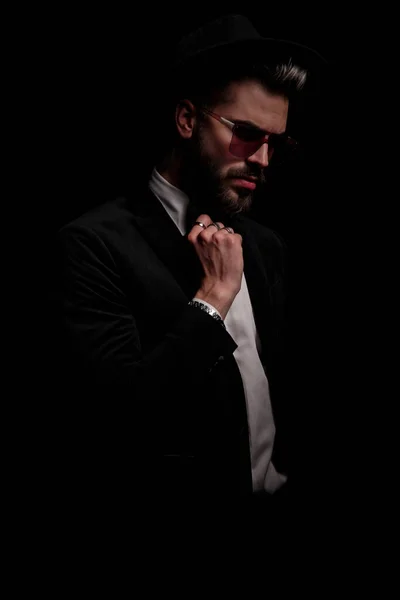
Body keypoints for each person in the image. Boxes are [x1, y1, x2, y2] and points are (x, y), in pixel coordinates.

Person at [54, 14, 327, 512]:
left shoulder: (266, 246)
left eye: (276, 142)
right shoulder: (92, 244)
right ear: (187, 120)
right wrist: (212, 300)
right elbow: (121, 422)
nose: (263, 161)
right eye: (245, 133)